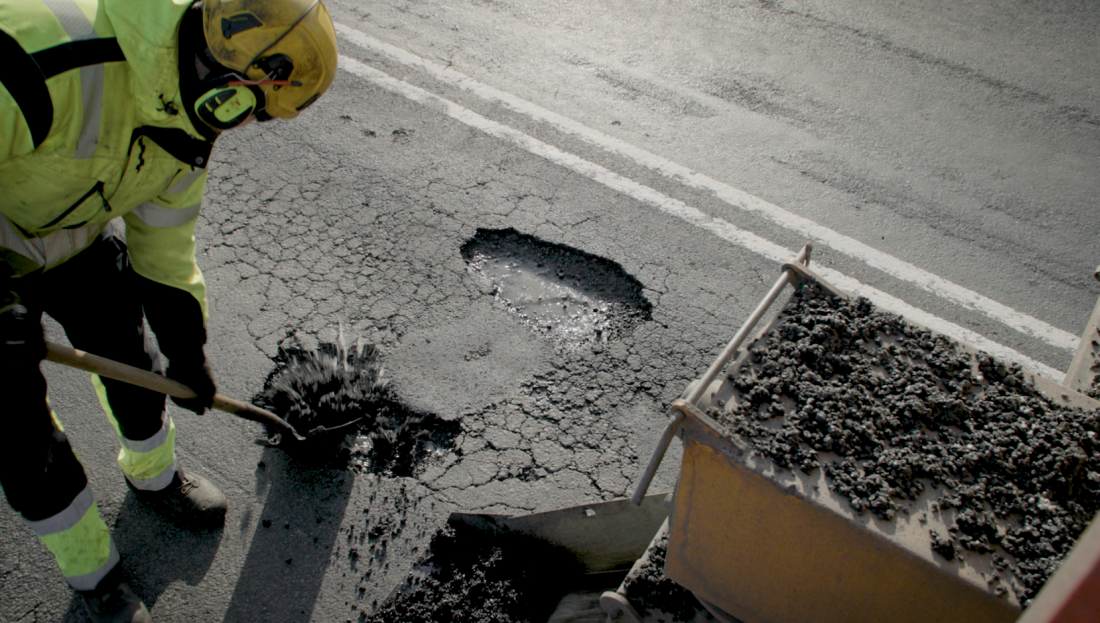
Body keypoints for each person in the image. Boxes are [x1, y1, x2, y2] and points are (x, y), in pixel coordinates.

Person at [0, 0, 337, 620]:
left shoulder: (186, 119)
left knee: (133, 357)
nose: (238, 127)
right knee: (23, 439)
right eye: (245, 107)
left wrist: (188, 348)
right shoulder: (39, 58)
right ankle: (95, 578)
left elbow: (164, 241)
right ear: (226, 64)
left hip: (72, 234)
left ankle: (153, 477)